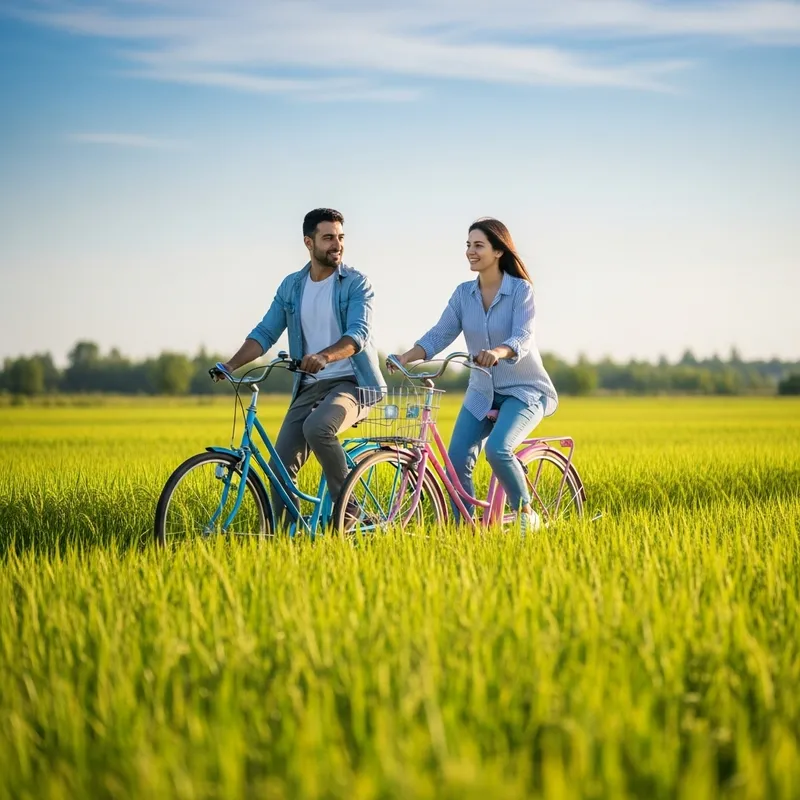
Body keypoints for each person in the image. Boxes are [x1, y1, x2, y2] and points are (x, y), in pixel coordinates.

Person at [216, 208, 386, 527]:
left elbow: (357, 335)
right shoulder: (292, 287)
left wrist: (324, 356)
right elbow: (265, 333)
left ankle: (349, 509)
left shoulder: (356, 283)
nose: (336, 245)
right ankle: (288, 537)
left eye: (340, 238)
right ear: (309, 243)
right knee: (278, 467)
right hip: (310, 386)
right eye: (328, 238)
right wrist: (230, 365)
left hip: (354, 383)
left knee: (317, 427)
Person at [388, 217, 558, 535]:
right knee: (455, 462)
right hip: (482, 390)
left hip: (524, 391)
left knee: (498, 449)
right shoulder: (463, 294)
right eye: (468, 245)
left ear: (498, 251)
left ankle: (525, 512)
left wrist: (498, 352)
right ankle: (464, 529)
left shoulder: (521, 290)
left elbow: (523, 336)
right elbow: (440, 334)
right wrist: (407, 357)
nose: (470, 251)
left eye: (478, 245)